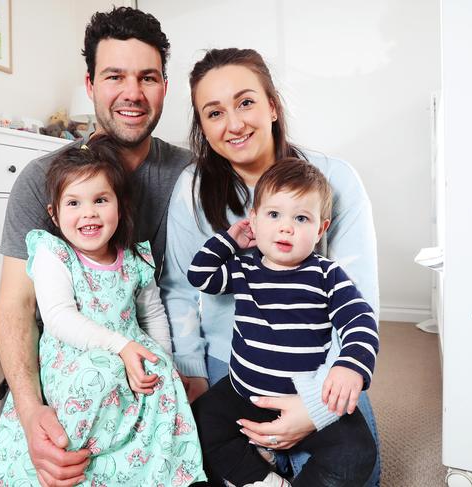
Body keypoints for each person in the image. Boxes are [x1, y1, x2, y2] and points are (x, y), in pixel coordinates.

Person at [0, 7, 191, 486]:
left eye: (148, 77)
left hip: (150, 364)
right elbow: (16, 305)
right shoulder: (43, 181)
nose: (132, 93)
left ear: (165, 85)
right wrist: (30, 408)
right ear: (90, 84)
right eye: (114, 76)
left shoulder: (191, 174)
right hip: (70, 367)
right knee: (37, 464)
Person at [159, 48, 382, 484]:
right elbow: (184, 286)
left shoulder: (335, 179)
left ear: (273, 106)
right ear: (202, 126)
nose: (235, 124)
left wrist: (315, 406)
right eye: (214, 112)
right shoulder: (193, 188)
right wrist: (194, 372)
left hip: (318, 364)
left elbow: (360, 305)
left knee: (360, 467)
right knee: (192, 447)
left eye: (246, 102)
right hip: (235, 363)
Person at [0, 138, 206, 486]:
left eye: (100, 200)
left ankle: (154, 470)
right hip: (78, 351)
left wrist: (163, 359)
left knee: (163, 375)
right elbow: (58, 317)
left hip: (130, 347)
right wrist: (119, 346)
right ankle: (78, 460)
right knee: (99, 373)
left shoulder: (135, 259)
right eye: (74, 202)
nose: (88, 212)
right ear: (54, 214)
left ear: (120, 207)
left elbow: (152, 315)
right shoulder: (53, 254)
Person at [188, 160, 378, 486]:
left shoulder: (326, 275)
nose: (286, 227)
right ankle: (263, 478)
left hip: (308, 398)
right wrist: (231, 239)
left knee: (358, 452)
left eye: (301, 218)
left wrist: (351, 365)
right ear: (255, 220)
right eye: (274, 215)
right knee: (198, 422)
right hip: (244, 393)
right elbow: (201, 276)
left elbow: (360, 318)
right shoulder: (244, 269)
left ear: (320, 229)